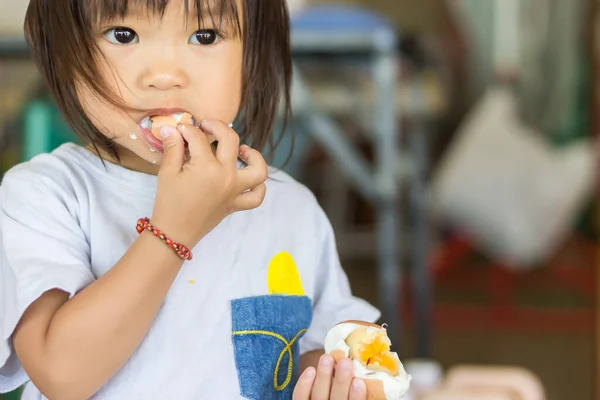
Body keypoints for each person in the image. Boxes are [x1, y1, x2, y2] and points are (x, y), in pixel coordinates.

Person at [0, 1, 381, 399]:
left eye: (206, 36)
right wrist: (173, 229)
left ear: (252, 58)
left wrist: (346, 375)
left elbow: (311, 356)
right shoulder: (45, 195)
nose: (165, 75)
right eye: (123, 34)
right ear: (62, 56)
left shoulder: (290, 207)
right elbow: (60, 373)